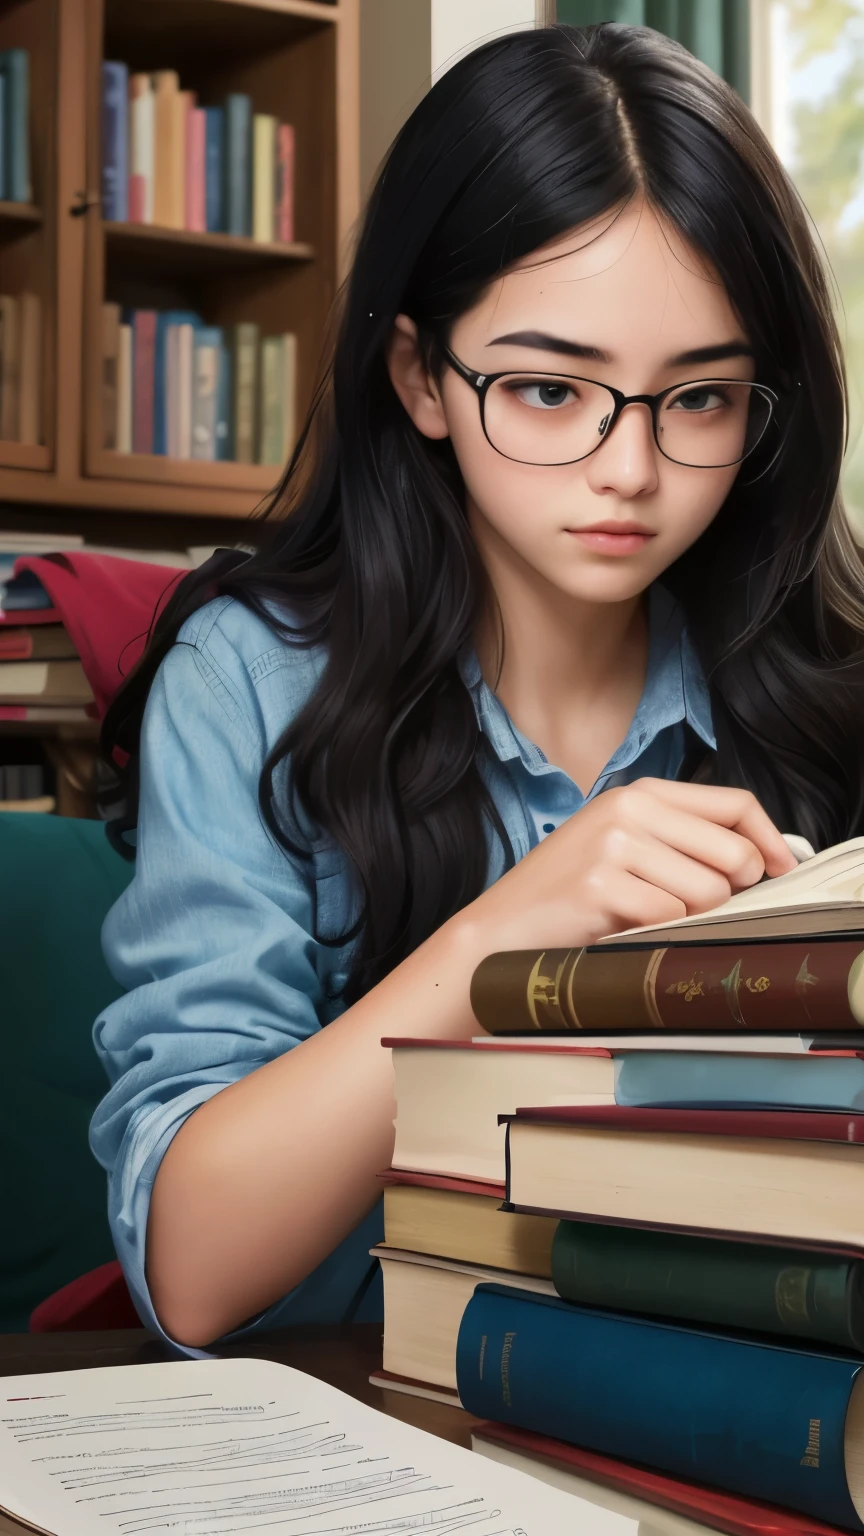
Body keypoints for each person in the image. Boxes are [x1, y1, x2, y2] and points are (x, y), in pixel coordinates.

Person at [90, 21, 864, 1354]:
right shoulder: (254, 681)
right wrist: (509, 934)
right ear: (420, 378)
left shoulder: (827, 682)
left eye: (700, 401)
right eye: (553, 390)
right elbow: (197, 1269)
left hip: (746, 1412)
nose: (629, 469)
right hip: (367, 1420)